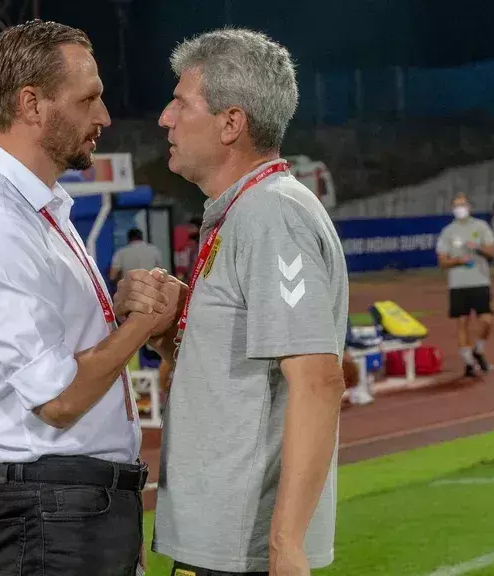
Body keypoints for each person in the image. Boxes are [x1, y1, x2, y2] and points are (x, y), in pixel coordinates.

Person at [0, 20, 178, 576]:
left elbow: (60, 351)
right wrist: (142, 324)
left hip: (77, 507)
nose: (104, 116)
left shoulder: (35, 207)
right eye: (88, 99)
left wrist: (115, 312)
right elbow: (59, 400)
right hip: (56, 513)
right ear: (32, 104)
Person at [144, 28, 349, 576]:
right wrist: (173, 333)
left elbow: (317, 379)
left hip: (240, 553)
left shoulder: (270, 213)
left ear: (231, 123)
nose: (165, 118)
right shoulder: (245, 210)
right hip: (220, 544)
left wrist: (285, 546)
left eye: (181, 103)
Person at [436, 193, 494, 379]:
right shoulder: (448, 231)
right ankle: (468, 361)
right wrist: (458, 261)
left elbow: (491, 252)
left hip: (480, 281)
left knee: (487, 320)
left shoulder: (481, 226)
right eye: (456, 206)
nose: (460, 209)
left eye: (462, 205)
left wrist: (476, 247)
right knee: (462, 322)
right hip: (458, 284)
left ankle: (479, 348)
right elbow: (442, 261)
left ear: (469, 207)